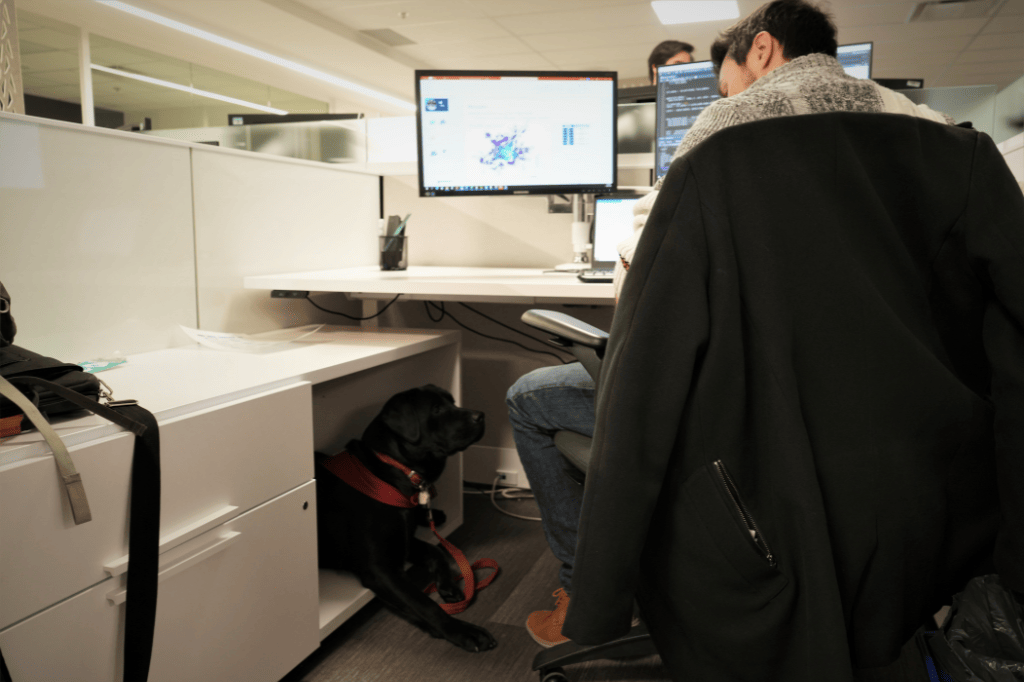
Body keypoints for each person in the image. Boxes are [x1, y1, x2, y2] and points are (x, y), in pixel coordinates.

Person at [507, 0, 957, 651]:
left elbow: (645, 275)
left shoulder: (731, 125)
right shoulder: (939, 131)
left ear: (765, 51)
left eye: (726, 79)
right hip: (902, 443)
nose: (724, 96)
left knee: (528, 397)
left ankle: (590, 586)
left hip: (750, 419)